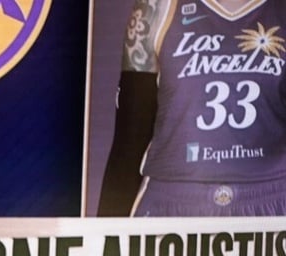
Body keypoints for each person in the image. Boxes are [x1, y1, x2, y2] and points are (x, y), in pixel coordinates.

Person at [97, 0, 286, 217]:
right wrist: (102, 242)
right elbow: (128, 146)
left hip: (271, 202)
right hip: (173, 202)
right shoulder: (157, 8)